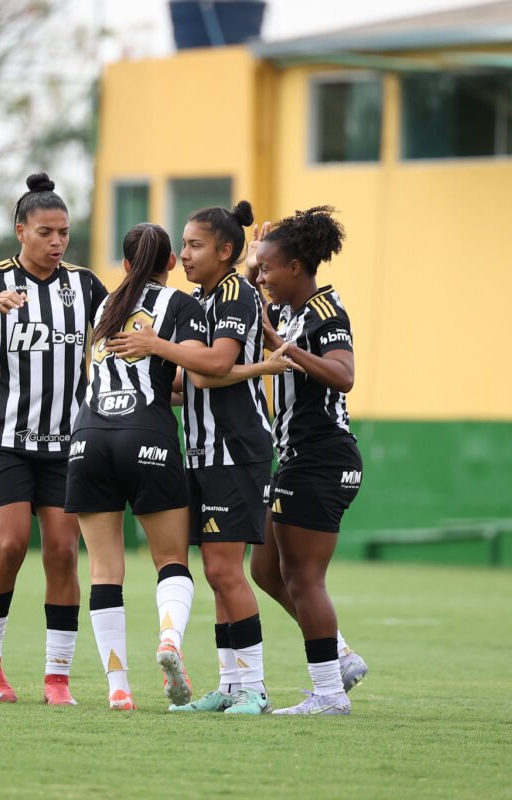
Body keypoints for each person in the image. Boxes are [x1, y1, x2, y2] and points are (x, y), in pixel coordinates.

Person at [0, 173, 108, 706]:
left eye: (64, 232)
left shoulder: (85, 285)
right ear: (21, 231)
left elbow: (123, 328)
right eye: (45, 232)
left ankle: (57, 678)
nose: (57, 242)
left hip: (66, 443)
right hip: (5, 441)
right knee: (11, 544)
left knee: (62, 553)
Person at [66, 222, 236, 710]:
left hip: (88, 436)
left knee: (103, 569)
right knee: (171, 560)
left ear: (124, 265)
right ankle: (169, 641)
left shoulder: (103, 306)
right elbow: (202, 365)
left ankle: (118, 687)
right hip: (147, 435)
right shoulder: (179, 304)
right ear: (170, 263)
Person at [119, 201, 279, 715]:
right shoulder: (199, 299)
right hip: (204, 452)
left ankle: (254, 688)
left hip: (237, 450)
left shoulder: (235, 293)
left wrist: (156, 345)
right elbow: (189, 382)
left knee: (226, 571)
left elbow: (215, 364)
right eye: (183, 245)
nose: (183, 255)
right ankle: (230, 686)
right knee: (215, 572)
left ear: (225, 251)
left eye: (194, 245)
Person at [243, 206, 363, 715]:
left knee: (304, 579)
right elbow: (249, 300)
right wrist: (253, 261)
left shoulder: (325, 310)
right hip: (295, 458)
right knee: (265, 568)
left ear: (295, 267)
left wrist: (285, 349)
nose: (262, 278)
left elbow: (343, 374)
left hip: (322, 457)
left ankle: (330, 693)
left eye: (269, 269)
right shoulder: (287, 311)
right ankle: (340, 655)